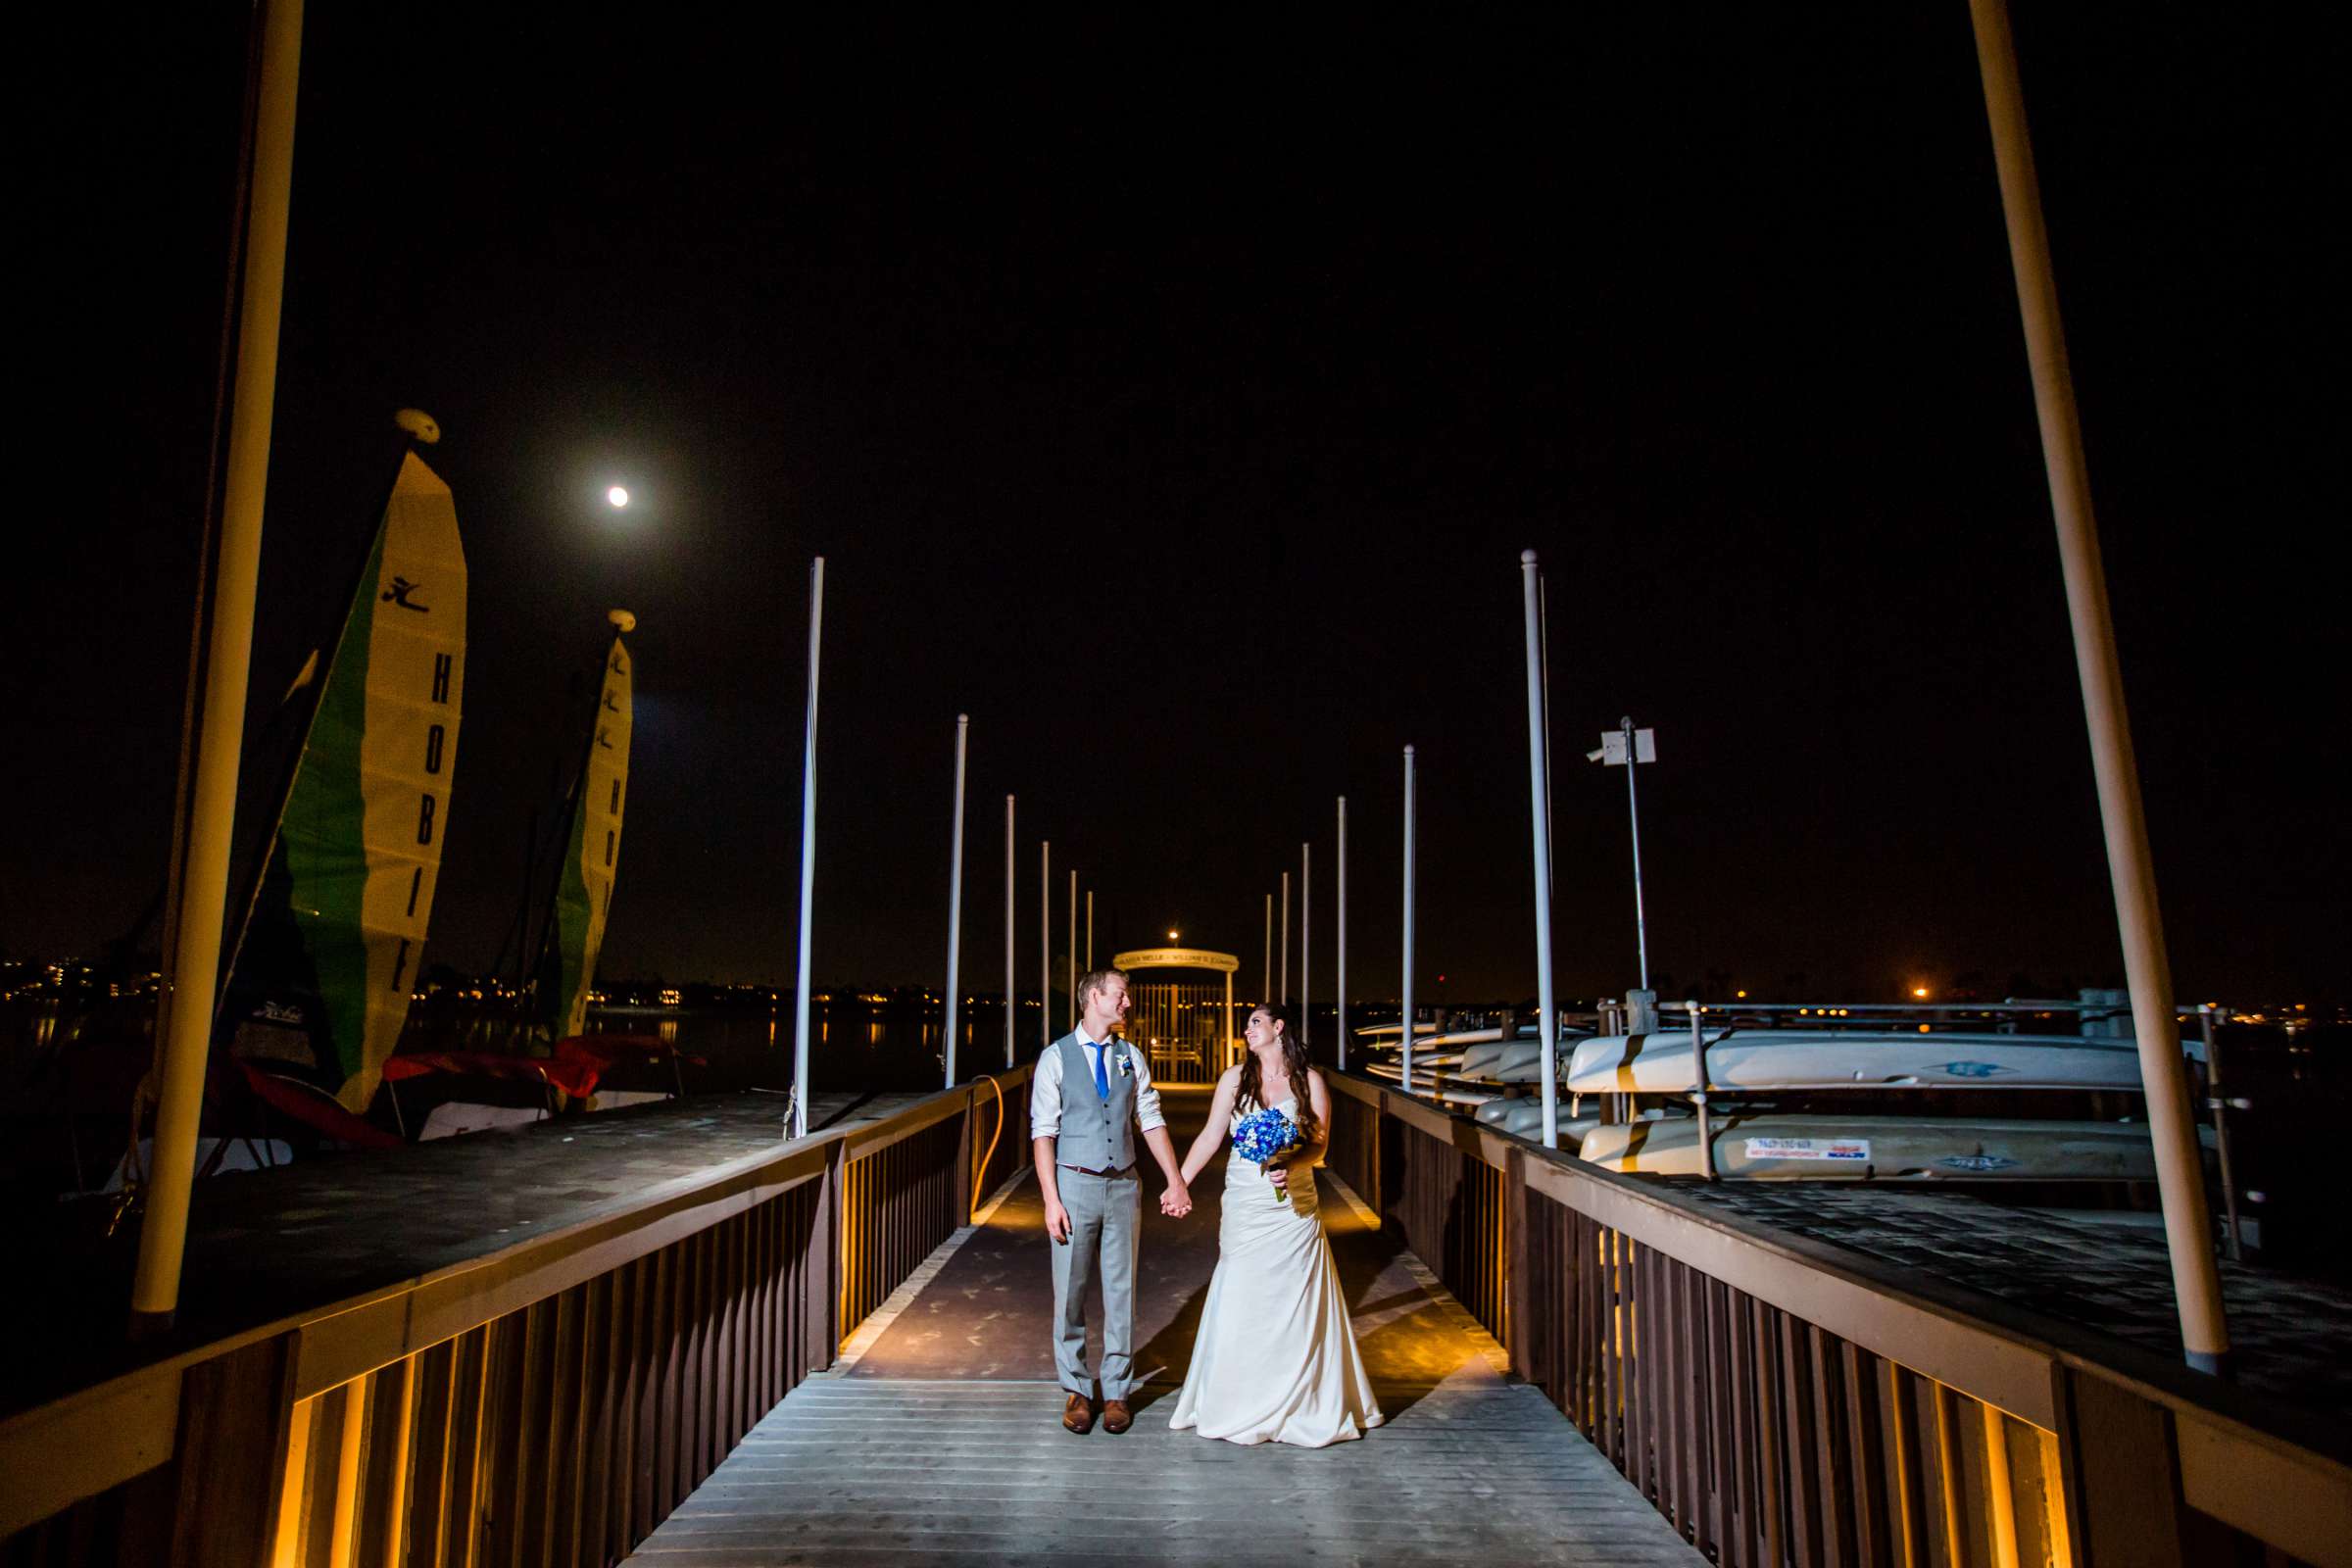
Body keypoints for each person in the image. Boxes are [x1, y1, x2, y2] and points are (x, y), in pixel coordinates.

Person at [1167, 1002, 1383, 1446]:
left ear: (1279, 1027)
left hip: (1292, 1208)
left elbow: (1320, 1145)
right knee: (1243, 1291)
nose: (1247, 1030)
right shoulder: (1234, 1079)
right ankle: (1237, 1399)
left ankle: (1299, 1400)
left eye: (1256, 1022)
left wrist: (1293, 1159)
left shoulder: (1310, 1082)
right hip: (1246, 1202)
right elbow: (1211, 1135)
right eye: (1248, 1024)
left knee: (1292, 1299)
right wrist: (1179, 1183)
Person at [1030, 967, 1192, 1435]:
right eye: (1121, 996)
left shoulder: (1131, 1056)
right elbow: (1043, 1133)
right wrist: (1050, 1200)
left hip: (1123, 1184)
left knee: (1121, 1291)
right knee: (1071, 1293)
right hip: (1074, 1184)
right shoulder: (1055, 1058)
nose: (1127, 1004)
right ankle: (1078, 1389)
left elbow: (1150, 1118)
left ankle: (1117, 1390)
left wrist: (1175, 1180)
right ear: (1094, 997)